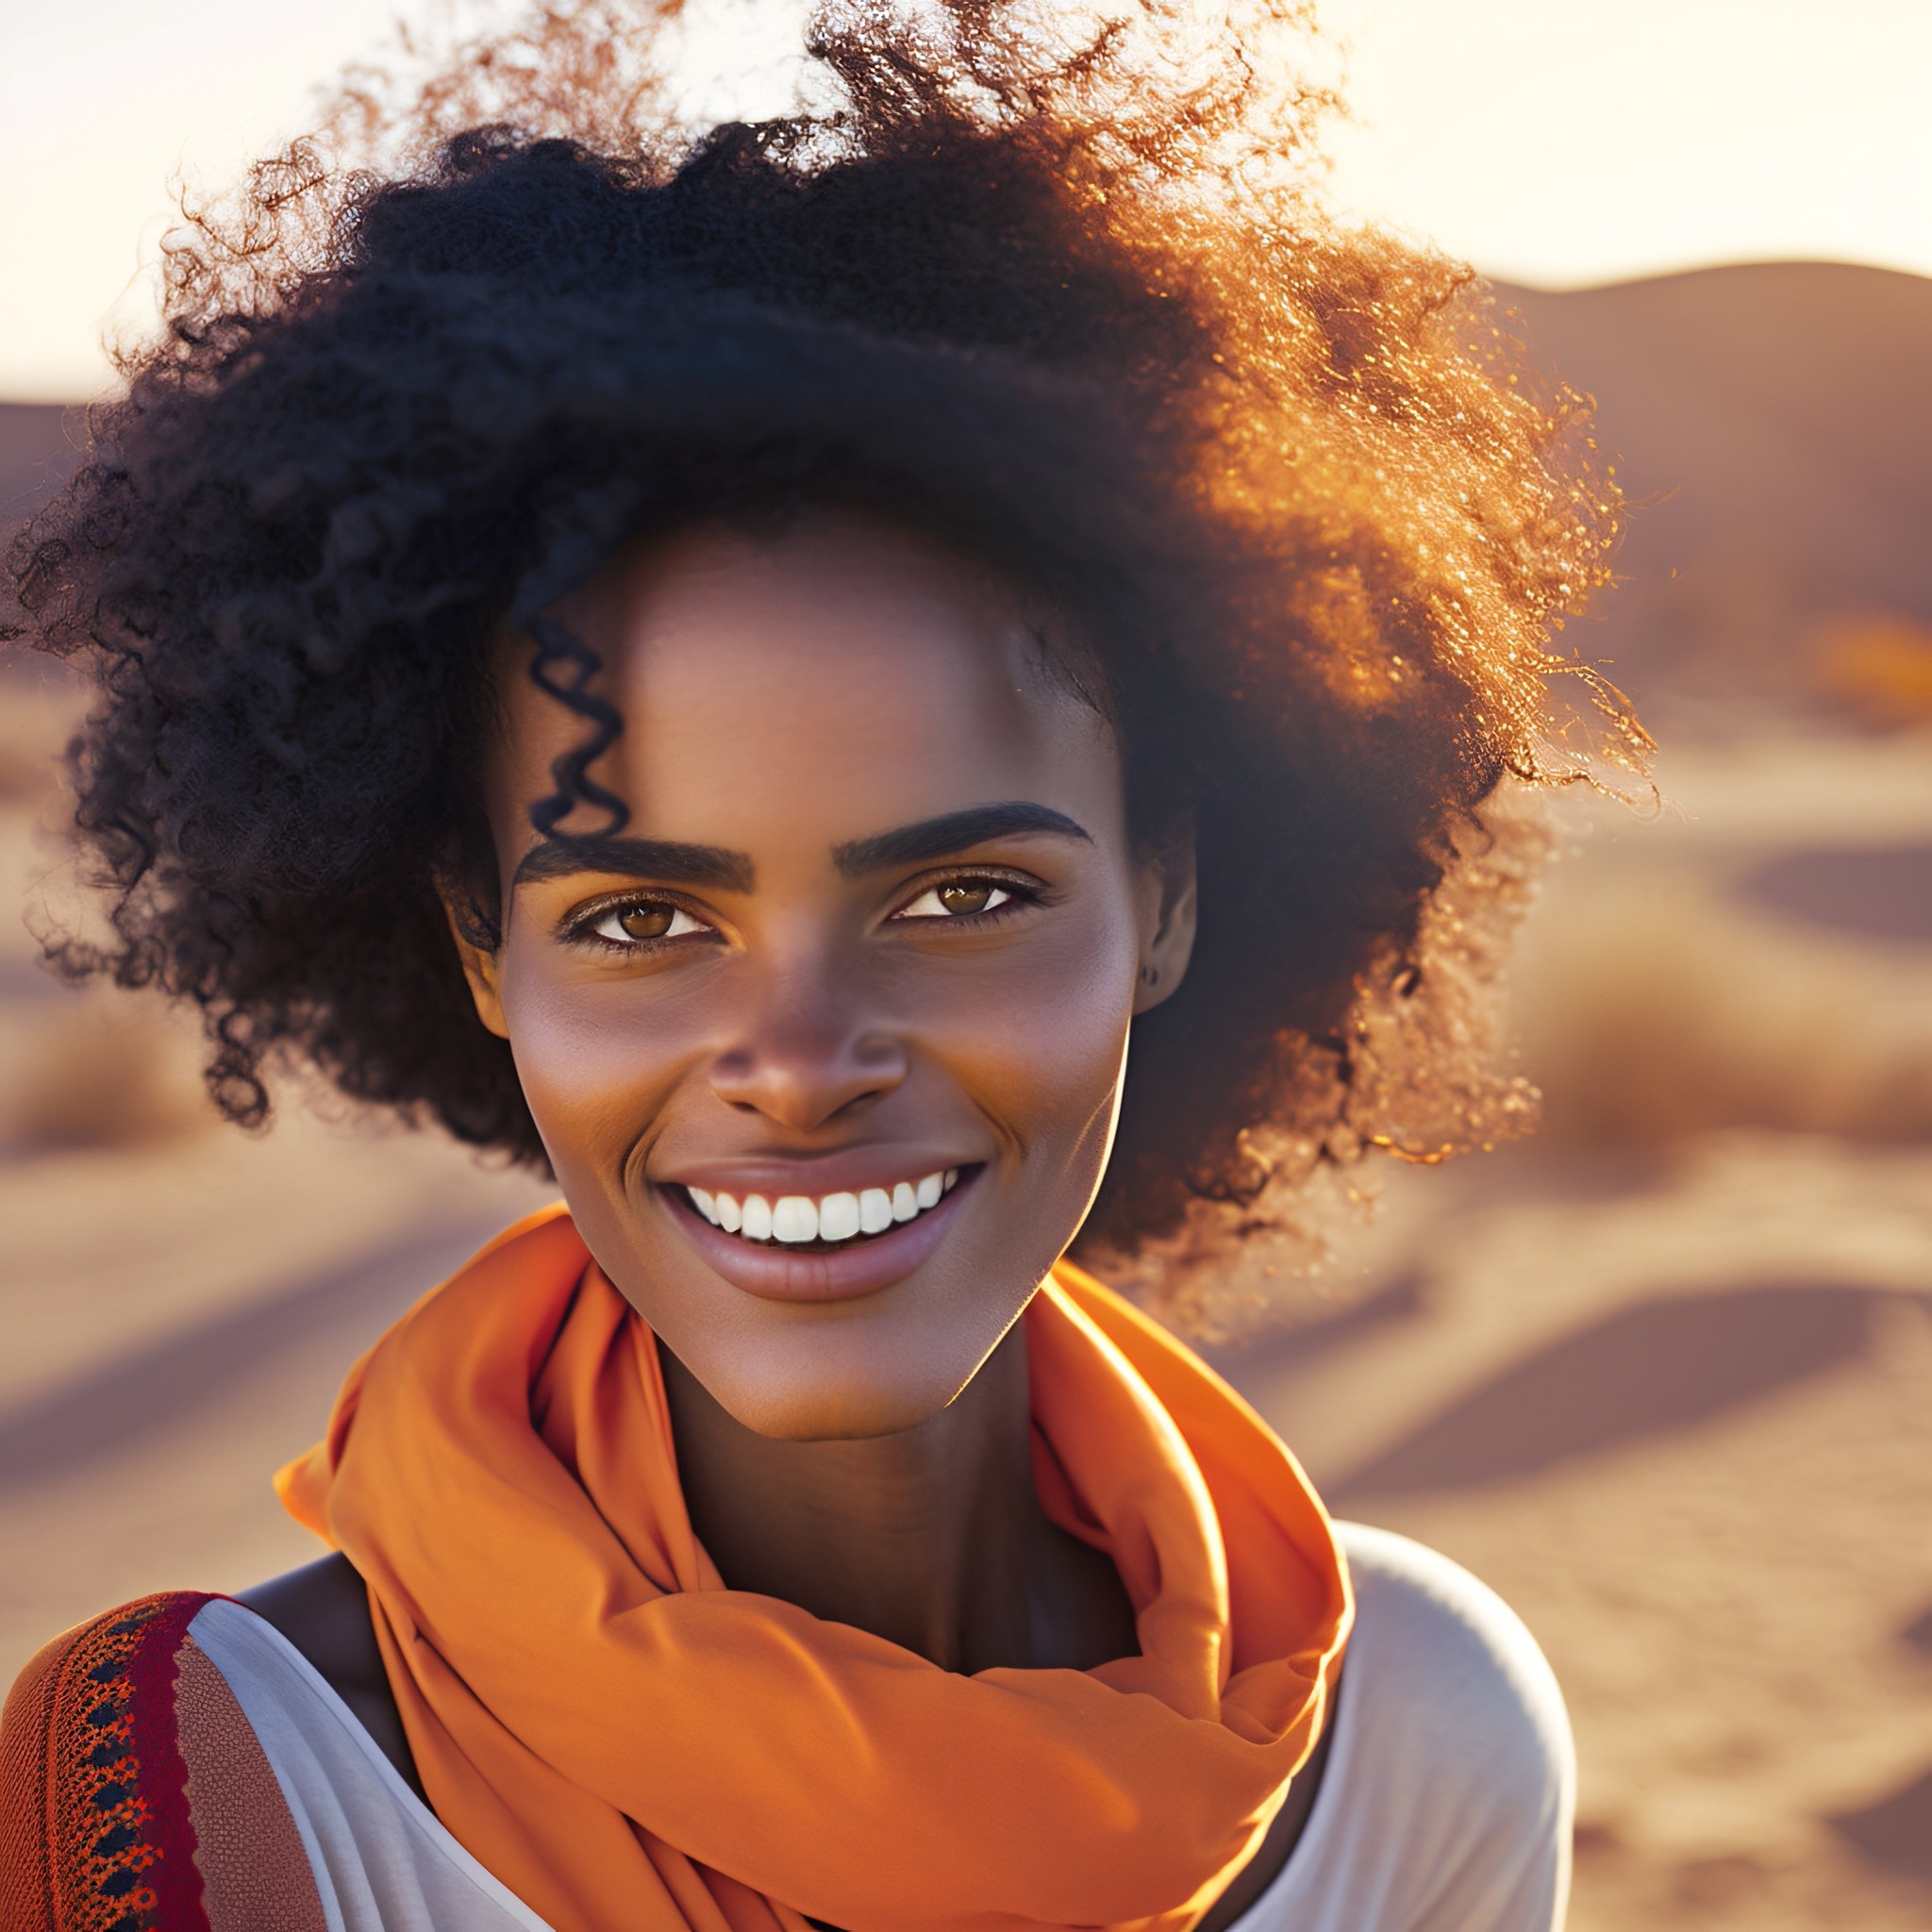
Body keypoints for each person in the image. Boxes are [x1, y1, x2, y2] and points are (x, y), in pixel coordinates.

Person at [0, 3, 1640, 1926]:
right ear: (477, 946)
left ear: (1168, 898)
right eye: (640, 918)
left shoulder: (1420, 1737)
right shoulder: (231, 1790)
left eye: (958, 899)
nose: (795, 1055)